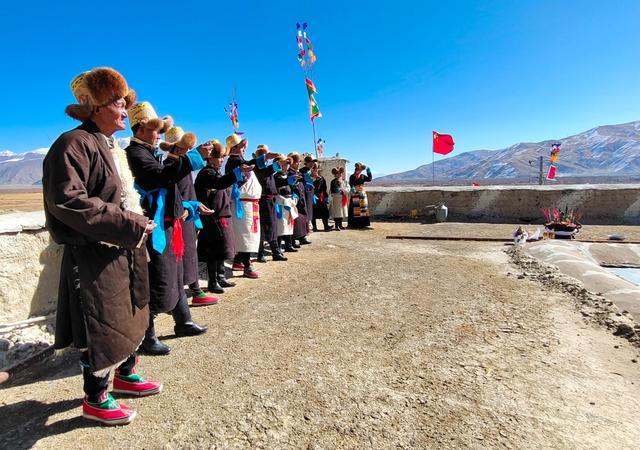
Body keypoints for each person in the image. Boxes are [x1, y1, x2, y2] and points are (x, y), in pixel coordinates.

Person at [43, 67, 161, 425]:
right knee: (102, 322)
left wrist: (135, 223)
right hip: (94, 253)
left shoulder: (111, 146)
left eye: (125, 104)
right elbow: (68, 200)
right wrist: (130, 224)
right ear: (95, 106)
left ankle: (125, 374)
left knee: (131, 312)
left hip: (124, 248)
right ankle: (95, 397)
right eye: (118, 104)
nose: (125, 111)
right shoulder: (72, 143)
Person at [126, 101, 210, 356]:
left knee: (175, 274)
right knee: (157, 280)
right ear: (141, 128)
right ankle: (146, 336)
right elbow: (161, 178)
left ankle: (183, 321)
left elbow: (167, 186)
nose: (159, 135)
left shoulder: (148, 152)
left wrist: (185, 206)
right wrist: (193, 156)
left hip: (167, 225)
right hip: (154, 229)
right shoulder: (135, 154)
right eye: (156, 130)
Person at [160, 126, 218, 306]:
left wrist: (195, 206)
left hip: (188, 215)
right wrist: (186, 206)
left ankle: (194, 290)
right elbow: (171, 194)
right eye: (186, 148)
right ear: (177, 148)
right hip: (179, 216)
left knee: (190, 253)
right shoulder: (170, 167)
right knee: (181, 254)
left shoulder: (181, 166)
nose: (188, 151)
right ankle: (186, 294)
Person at [194, 141, 250, 293]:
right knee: (213, 251)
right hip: (212, 217)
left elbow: (223, 184)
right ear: (210, 158)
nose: (222, 160)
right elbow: (219, 183)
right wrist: (237, 171)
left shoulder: (216, 172)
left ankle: (221, 277)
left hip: (222, 215)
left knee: (222, 249)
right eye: (219, 157)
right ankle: (212, 282)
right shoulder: (207, 173)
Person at [225, 134, 277, 278]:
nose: (243, 150)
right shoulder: (234, 161)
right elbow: (250, 164)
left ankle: (238, 261)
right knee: (245, 234)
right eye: (241, 147)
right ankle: (247, 266)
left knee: (245, 233)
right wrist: (264, 158)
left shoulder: (239, 161)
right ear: (234, 148)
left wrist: (269, 162)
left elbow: (256, 168)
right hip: (242, 203)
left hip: (248, 203)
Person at [254, 144, 287, 262]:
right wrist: (278, 164)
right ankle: (260, 253)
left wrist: (290, 180)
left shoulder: (268, 169)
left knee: (272, 226)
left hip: (271, 201)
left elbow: (277, 183)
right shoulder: (258, 168)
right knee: (263, 227)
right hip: (263, 201)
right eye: (265, 155)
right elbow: (265, 172)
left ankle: (275, 252)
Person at [274, 156, 299, 252]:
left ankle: (289, 245)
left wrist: (294, 196)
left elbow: (292, 189)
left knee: (289, 224)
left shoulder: (287, 176)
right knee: (281, 225)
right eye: (285, 164)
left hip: (289, 201)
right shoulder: (276, 176)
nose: (287, 166)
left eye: (288, 164)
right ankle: (278, 246)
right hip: (281, 202)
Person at [287, 153, 311, 246]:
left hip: (301, 197)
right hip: (295, 198)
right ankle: (293, 239)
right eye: (297, 162)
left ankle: (302, 237)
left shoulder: (298, 172)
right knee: (296, 218)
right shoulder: (290, 173)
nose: (298, 164)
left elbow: (303, 182)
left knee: (303, 217)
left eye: (299, 161)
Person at [348, 162, 373, 229]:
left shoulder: (362, 176)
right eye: (357, 170)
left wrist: (368, 172)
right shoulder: (352, 176)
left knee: (363, 208)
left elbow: (369, 179)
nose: (358, 171)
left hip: (362, 194)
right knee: (355, 208)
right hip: (355, 193)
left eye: (360, 170)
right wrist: (352, 187)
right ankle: (355, 224)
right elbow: (350, 183)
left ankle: (363, 224)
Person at [312, 163, 332, 231]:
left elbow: (324, 188)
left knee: (325, 212)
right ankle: (314, 227)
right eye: (314, 168)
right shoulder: (309, 178)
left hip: (321, 198)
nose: (315, 170)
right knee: (313, 213)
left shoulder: (321, 178)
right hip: (312, 197)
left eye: (316, 168)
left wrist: (326, 197)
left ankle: (326, 226)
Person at [299, 155, 316, 233]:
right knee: (305, 210)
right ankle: (305, 228)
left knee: (310, 210)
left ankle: (309, 226)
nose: (312, 164)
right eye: (311, 162)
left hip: (310, 193)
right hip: (304, 193)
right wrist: (306, 183)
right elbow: (300, 180)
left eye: (313, 162)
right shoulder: (302, 171)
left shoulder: (312, 171)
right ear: (306, 163)